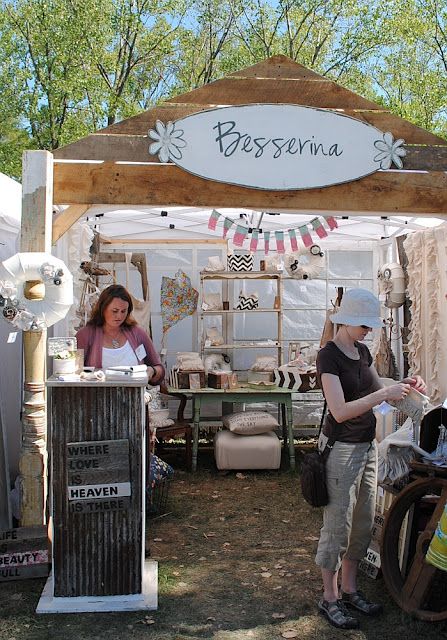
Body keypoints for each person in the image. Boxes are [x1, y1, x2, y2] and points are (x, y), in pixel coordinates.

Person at [315, 288, 426, 629]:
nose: (368, 330)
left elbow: (379, 390)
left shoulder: (361, 352)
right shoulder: (328, 356)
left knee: (362, 523)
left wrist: (405, 385)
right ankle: (329, 598)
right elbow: (341, 410)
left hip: (366, 447)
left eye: (369, 325)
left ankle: (350, 590)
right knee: (338, 526)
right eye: (363, 324)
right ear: (345, 320)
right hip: (341, 450)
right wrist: (383, 393)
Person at [76, 284, 164, 385]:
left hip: (134, 397)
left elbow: (159, 369)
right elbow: (74, 374)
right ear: (103, 309)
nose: (119, 316)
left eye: (123, 311)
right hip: (98, 398)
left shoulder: (137, 333)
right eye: (115, 311)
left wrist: (152, 371)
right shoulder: (85, 335)